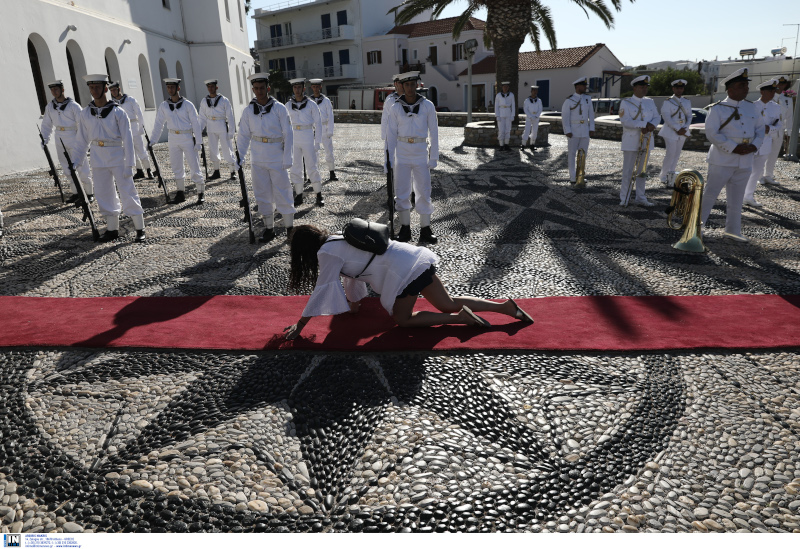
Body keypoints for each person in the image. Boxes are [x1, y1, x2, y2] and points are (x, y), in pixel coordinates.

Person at [282, 224, 534, 340]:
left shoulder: (326, 253)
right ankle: (505, 307)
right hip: (413, 256)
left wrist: (301, 325)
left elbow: (324, 288)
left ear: (303, 251)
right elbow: (352, 275)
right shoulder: (338, 237)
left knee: (403, 320)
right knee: (447, 302)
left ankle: (461, 319)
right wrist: (355, 306)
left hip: (401, 273)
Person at [73, 74, 146, 243]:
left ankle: (140, 228)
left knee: (128, 191)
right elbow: (81, 140)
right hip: (98, 157)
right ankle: (112, 229)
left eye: (98, 87)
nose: (94, 90)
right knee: (104, 193)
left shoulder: (118, 112)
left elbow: (128, 140)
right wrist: (75, 162)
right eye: (91, 87)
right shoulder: (85, 113)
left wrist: (130, 164)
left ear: (106, 89)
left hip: (117, 155)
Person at [700, 68, 764, 243]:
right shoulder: (717, 109)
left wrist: (754, 146)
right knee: (710, 194)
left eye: (746, 85)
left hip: (745, 159)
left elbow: (760, 130)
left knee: (736, 198)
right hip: (722, 159)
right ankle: (697, 228)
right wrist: (733, 147)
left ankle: (733, 231)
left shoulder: (752, 107)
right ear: (730, 89)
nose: (746, 89)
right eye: (741, 85)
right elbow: (712, 133)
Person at [236, 73, 296, 242]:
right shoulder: (248, 111)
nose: (259, 91)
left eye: (262, 88)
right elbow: (243, 135)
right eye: (256, 88)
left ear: (268, 88)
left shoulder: (279, 108)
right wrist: (240, 157)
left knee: (283, 191)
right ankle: (269, 228)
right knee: (262, 193)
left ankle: (289, 228)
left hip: (276, 156)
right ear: (253, 90)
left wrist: (287, 157)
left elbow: (288, 133)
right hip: (258, 158)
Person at [386, 71, 439, 244]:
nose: (409, 88)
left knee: (423, 190)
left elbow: (434, 132)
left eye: (412, 84)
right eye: (406, 85)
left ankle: (425, 229)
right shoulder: (395, 107)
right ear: (402, 86)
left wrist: (434, 157)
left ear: (417, 85)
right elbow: (391, 135)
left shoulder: (427, 106)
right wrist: (388, 159)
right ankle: (405, 229)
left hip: (420, 152)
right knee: (401, 192)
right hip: (401, 153)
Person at [149, 78, 204, 204]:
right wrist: (153, 140)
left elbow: (196, 123)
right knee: (176, 166)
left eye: (173, 87)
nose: (170, 89)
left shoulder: (188, 105)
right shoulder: (164, 106)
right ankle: (180, 192)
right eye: (168, 87)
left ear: (178, 88)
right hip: (173, 137)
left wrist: (199, 142)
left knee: (194, 165)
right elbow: (159, 124)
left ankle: (200, 191)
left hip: (187, 137)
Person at [40, 80, 94, 203]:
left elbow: (82, 124)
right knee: (66, 168)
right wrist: (44, 138)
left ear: (62, 90)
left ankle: (89, 192)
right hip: (59, 137)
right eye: (52, 90)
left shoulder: (73, 106)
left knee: (81, 166)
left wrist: (84, 141)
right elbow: (46, 124)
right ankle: (76, 192)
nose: (54, 92)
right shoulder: (50, 107)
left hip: (74, 137)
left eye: (56, 89)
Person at [618, 75, 659, 207]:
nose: (644, 90)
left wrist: (652, 125)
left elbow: (657, 117)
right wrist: (643, 125)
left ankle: (640, 197)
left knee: (642, 171)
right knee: (628, 170)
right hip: (631, 140)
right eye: (641, 87)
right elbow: (626, 121)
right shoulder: (626, 102)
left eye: (646, 87)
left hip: (646, 140)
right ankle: (625, 197)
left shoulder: (650, 102)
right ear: (635, 88)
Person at [744, 79, 782, 208]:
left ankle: (748, 196)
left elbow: (779, 124)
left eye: (774, 91)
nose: (773, 93)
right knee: (744, 170)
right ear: (762, 91)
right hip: (751, 143)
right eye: (770, 91)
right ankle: (739, 195)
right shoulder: (752, 106)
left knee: (756, 172)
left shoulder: (776, 107)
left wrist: (770, 129)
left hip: (765, 143)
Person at [286, 77, 324, 207]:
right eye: (295, 87)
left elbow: (318, 124)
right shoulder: (287, 105)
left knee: (312, 166)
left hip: (307, 135)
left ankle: (319, 195)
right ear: (293, 89)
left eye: (299, 87)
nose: (297, 90)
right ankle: (299, 195)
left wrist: (317, 142)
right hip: (294, 138)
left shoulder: (311, 104)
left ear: (303, 88)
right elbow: (284, 124)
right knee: (295, 167)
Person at [108, 81, 152, 181]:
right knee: (130, 150)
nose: (113, 92)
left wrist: (141, 128)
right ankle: (139, 170)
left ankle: (148, 170)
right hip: (123, 129)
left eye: (115, 90)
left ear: (119, 89)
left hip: (134, 126)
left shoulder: (130, 100)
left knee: (141, 149)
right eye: (111, 91)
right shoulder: (113, 104)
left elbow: (139, 114)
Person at [198, 78, 237, 181]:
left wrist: (231, 132)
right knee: (213, 149)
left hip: (222, 126)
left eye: (212, 86)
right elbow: (202, 117)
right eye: (209, 87)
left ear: (216, 87)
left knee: (227, 149)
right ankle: (216, 171)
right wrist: (199, 131)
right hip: (210, 127)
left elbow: (230, 116)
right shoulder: (204, 101)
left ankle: (232, 171)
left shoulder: (224, 100)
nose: (210, 88)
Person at [658, 79, 692, 186]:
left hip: (683, 130)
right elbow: (666, 117)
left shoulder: (687, 101)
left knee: (677, 154)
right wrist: (678, 129)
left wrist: (685, 128)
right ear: (673, 89)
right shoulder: (668, 102)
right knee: (670, 154)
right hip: (671, 131)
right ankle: (663, 176)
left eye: (681, 88)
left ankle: (671, 175)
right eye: (677, 88)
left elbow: (689, 116)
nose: (679, 90)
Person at [561, 77, 595, 185]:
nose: (585, 87)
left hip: (585, 130)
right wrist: (567, 130)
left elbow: (591, 115)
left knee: (583, 154)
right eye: (583, 85)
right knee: (572, 154)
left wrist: (591, 128)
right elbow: (565, 117)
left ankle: (580, 175)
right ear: (577, 87)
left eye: (585, 85)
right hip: (574, 130)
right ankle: (572, 177)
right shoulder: (569, 100)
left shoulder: (587, 99)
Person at [763, 75, 794, 184]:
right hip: (767, 128)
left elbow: (789, 115)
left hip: (779, 129)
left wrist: (788, 131)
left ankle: (768, 175)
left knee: (774, 152)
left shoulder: (787, 98)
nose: (781, 86)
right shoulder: (769, 96)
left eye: (783, 84)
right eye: (779, 84)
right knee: (763, 152)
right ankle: (759, 175)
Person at [308, 78, 337, 181]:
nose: (316, 89)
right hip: (314, 129)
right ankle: (314, 174)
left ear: (320, 87)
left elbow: (330, 115)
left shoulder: (326, 100)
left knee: (329, 150)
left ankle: (332, 172)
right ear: (311, 87)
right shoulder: (309, 101)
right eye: (314, 87)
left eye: (317, 86)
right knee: (314, 152)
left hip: (324, 128)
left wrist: (330, 130)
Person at [520, 85, 543, 151]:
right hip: (529, 118)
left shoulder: (539, 100)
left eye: (536, 91)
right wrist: (530, 116)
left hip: (536, 117)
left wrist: (536, 116)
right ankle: (523, 145)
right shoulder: (527, 100)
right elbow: (525, 109)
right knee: (526, 131)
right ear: (531, 91)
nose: (535, 92)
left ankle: (532, 144)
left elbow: (540, 109)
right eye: (534, 91)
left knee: (534, 131)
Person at [494, 82, 515, 151]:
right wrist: (497, 115)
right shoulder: (498, 95)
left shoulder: (511, 95)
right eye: (504, 87)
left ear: (508, 87)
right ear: (502, 87)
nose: (505, 88)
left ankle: (506, 145)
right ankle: (501, 145)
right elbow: (496, 106)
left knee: (508, 130)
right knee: (501, 130)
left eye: (507, 87)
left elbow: (513, 106)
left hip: (508, 113)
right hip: (501, 113)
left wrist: (513, 115)